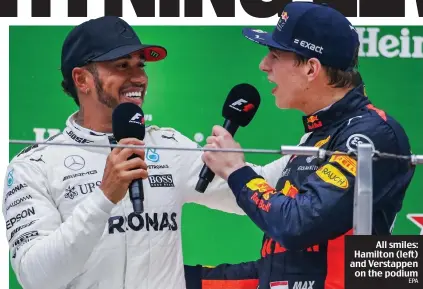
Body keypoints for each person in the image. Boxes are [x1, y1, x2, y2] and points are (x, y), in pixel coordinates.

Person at [2, 16, 288, 289]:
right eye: (122, 66)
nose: (138, 78)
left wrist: (319, 143)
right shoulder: (34, 165)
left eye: (141, 66)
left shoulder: (167, 146)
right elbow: (37, 278)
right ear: (82, 79)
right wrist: (103, 199)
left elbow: (248, 194)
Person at [185, 2, 416, 289]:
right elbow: (288, 270)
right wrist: (177, 278)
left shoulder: (371, 133)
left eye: (275, 55)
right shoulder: (318, 135)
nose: (264, 65)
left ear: (311, 68)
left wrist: (236, 170)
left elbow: (297, 224)